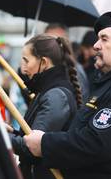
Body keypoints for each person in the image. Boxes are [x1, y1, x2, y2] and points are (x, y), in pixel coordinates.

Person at [24, 12, 111, 179]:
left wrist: (44, 143)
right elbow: (85, 132)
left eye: (104, 39)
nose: (96, 45)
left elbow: (97, 144)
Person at [10, 34, 82, 179]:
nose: (23, 69)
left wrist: (2, 137)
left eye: (26, 61)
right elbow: (33, 135)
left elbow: (33, 147)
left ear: (44, 62)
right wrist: (13, 132)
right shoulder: (46, 91)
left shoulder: (56, 96)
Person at [44, 23, 90, 102]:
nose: (52, 46)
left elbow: (82, 103)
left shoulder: (75, 70)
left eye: (58, 41)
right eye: (48, 41)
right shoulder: (41, 67)